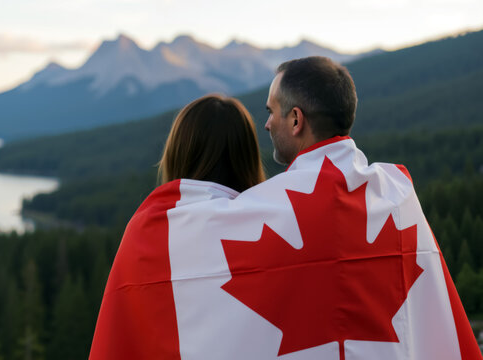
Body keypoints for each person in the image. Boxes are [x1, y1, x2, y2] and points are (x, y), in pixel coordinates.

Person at [91, 58, 481, 360]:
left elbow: (183, 249)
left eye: (271, 111)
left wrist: (157, 214)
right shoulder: (398, 195)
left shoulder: (260, 211)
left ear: (296, 120)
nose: (266, 124)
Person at [90, 94, 266, 359]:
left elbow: (120, 332)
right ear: (248, 156)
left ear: (178, 152)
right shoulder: (272, 226)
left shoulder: (146, 228)